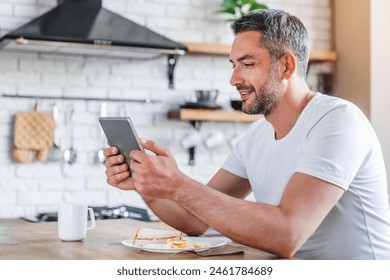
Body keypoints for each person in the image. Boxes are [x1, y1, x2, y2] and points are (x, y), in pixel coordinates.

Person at [104, 9, 390, 259]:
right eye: (234, 65)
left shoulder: (338, 120)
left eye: (248, 64)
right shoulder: (257, 136)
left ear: (286, 66)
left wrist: (177, 184)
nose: (234, 79)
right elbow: (195, 218)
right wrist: (150, 185)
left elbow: (288, 234)